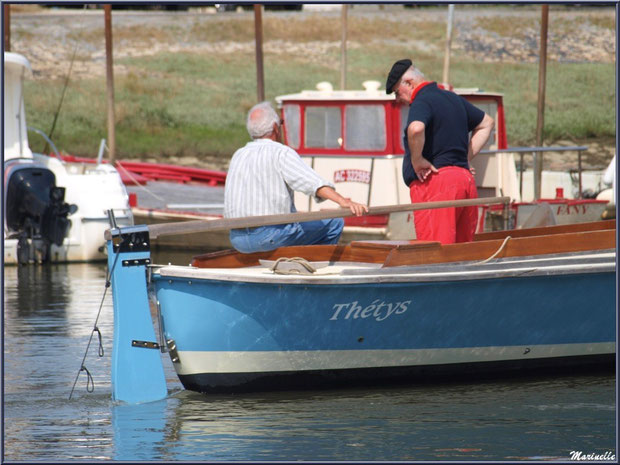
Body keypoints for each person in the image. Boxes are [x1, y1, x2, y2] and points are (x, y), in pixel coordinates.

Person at [224, 101, 368, 253]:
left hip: (237, 239)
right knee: (334, 223)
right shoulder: (280, 153)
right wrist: (342, 201)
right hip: (268, 237)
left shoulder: (239, 154)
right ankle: (313, 265)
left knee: (296, 222)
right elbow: (313, 184)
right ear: (275, 127)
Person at [385, 59, 495, 244]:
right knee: (463, 249)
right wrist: (465, 158)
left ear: (409, 83)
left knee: (436, 250)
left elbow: (416, 129)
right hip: (464, 180)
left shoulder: (421, 100)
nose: (397, 99)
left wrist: (417, 160)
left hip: (436, 184)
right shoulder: (453, 98)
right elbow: (487, 123)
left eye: (397, 92)